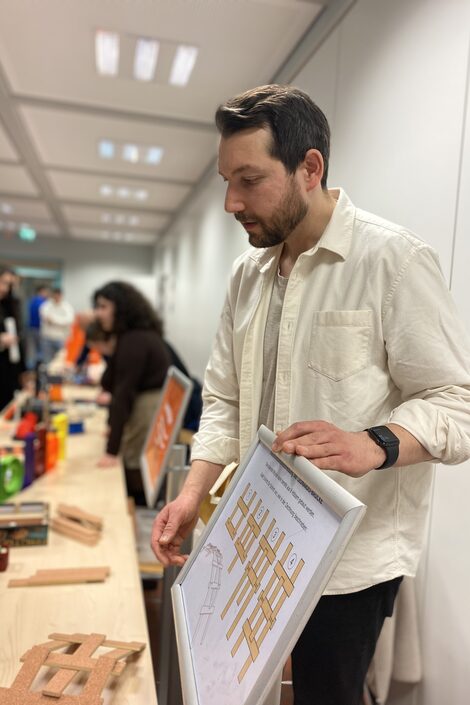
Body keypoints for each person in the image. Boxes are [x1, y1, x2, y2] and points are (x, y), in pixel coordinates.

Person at [151, 85, 470, 705]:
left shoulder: (394, 261)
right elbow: (224, 400)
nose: (231, 202)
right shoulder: (247, 276)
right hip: (253, 537)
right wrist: (192, 493)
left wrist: (373, 443)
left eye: (250, 180)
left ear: (310, 167)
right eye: (227, 181)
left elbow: (456, 402)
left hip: (347, 566)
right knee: (236, 687)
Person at [93, 281, 170, 505]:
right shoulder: (130, 336)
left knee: (134, 464)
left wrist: (111, 451)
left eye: (103, 307)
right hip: (144, 402)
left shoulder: (134, 340)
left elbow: (122, 395)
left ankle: (137, 505)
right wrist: (112, 427)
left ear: (120, 308)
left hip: (147, 406)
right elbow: (113, 382)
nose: (98, 314)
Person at [0, 265, 26, 410]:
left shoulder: (10, 305)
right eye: (2, 282)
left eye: (9, 285)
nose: (5, 288)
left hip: (9, 367)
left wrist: (22, 371)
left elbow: (19, 339)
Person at [39, 287, 74, 364]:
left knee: (61, 361)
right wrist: (60, 321)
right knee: (47, 361)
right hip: (47, 337)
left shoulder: (67, 307)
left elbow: (69, 320)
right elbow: (45, 317)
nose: (57, 297)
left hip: (61, 338)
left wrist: (54, 320)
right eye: (55, 295)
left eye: (59, 295)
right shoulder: (46, 305)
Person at [27, 284, 49, 369]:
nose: (46, 294)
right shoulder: (42, 302)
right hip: (39, 328)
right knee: (40, 348)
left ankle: (33, 365)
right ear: (41, 291)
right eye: (45, 292)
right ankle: (38, 365)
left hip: (32, 327)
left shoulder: (32, 301)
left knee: (34, 348)